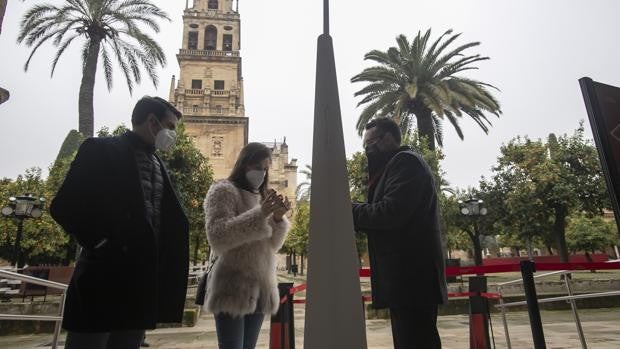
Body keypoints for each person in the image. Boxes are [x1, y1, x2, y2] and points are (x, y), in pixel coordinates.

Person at [50, 96, 189, 349]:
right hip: (102, 281)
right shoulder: (100, 149)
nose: (172, 134)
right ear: (152, 122)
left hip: (139, 288)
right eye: (170, 126)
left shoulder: (159, 165)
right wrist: (101, 243)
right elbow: (64, 206)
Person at [351, 117, 448, 349]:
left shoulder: (406, 163)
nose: (367, 151)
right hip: (406, 281)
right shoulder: (394, 166)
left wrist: (350, 209)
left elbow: (390, 213)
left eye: (370, 144)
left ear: (388, 138)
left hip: (413, 279)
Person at [203, 142, 291, 349]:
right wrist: (260, 214)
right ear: (244, 164)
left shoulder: (261, 196)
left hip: (261, 286)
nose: (262, 173)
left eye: (265, 168)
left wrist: (277, 219)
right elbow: (217, 236)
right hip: (232, 285)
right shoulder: (223, 190)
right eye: (257, 167)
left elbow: (272, 245)